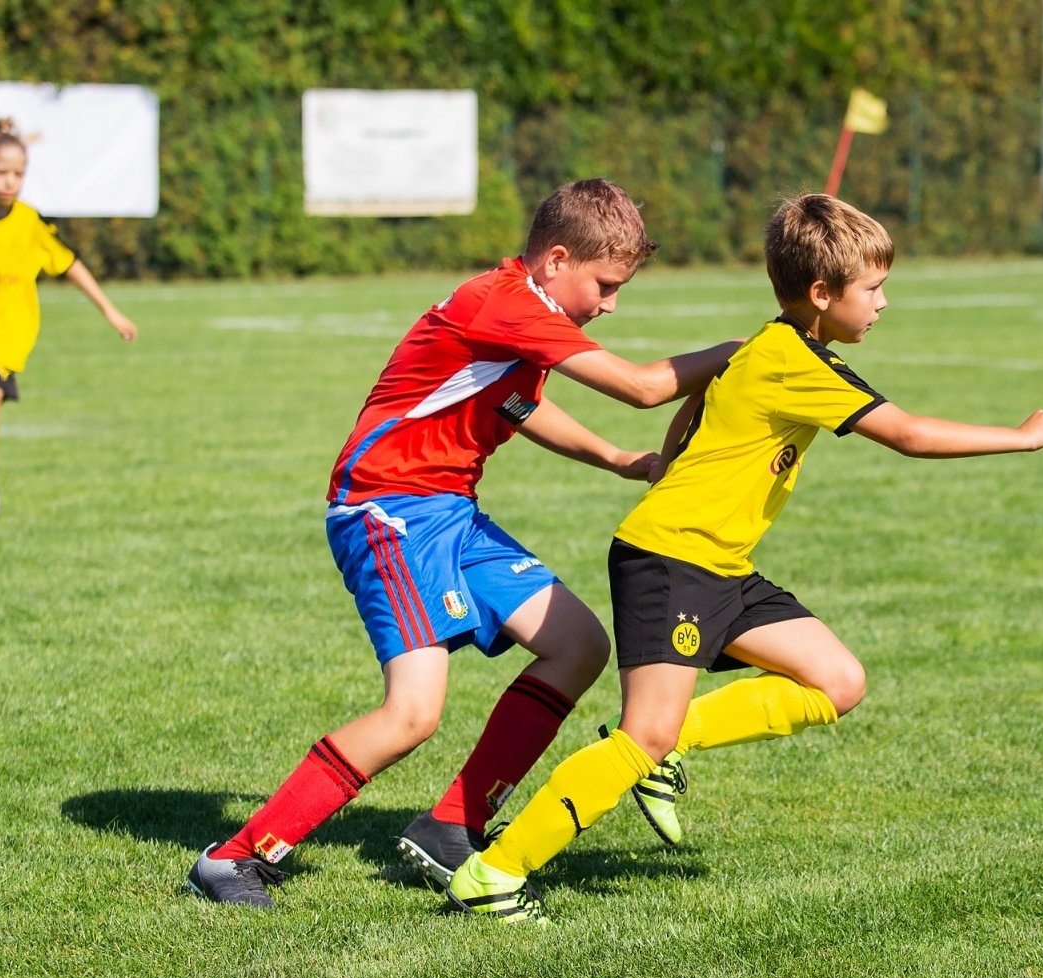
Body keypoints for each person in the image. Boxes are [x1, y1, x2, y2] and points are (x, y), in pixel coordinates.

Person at [447, 192, 1043, 923]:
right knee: (642, 733)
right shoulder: (793, 361)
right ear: (820, 293)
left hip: (718, 566)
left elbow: (694, 411)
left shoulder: (773, 349)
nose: (883, 302)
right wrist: (1020, 435)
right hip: (672, 561)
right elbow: (907, 434)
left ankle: (668, 748)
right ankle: (493, 873)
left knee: (836, 680)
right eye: (871, 288)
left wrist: (681, 463)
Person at [187, 178, 739, 907]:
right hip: (387, 509)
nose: (608, 304)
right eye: (604, 285)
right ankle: (235, 858)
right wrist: (745, 351)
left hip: (447, 510)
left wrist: (619, 460)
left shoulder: (520, 312)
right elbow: (640, 385)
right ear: (556, 259)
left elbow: (520, 403)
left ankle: (452, 825)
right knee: (414, 713)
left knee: (578, 643)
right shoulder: (505, 302)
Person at [0, 118, 138, 525]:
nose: (10, 181)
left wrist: (110, 311)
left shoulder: (29, 224)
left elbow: (70, 265)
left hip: (7, 337)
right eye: (1, 172)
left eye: (19, 174)